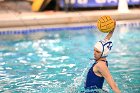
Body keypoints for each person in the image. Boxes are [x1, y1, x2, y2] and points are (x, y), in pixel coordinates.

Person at [84, 22, 121, 93]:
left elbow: (113, 86)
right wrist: (112, 30)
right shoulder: (102, 60)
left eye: (97, 52)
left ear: (103, 53)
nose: (94, 53)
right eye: (94, 50)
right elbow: (106, 40)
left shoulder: (101, 65)